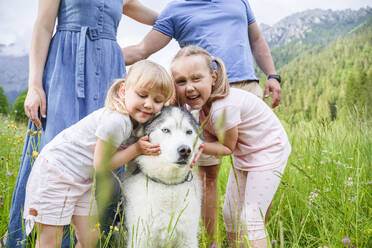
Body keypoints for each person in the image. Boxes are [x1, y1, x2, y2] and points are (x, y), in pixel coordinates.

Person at [121, 0, 282, 243]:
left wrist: (272, 74)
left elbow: (256, 40)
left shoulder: (239, 2)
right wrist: (100, 57)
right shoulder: (175, 11)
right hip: (199, 98)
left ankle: (252, 235)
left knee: (253, 181)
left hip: (244, 90)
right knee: (207, 176)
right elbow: (141, 50)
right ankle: (213, 242)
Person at [7, 0, 158, 247]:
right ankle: (43, 236)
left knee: (107, 153)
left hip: (108, 70)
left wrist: (185, 17)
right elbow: (44, 27)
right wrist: (34, 85)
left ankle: (103, 235)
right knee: (57, 149)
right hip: (65, 65)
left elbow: (163, 22)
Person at [22, 60, 174, 248]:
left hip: (81, 180)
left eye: (158, 100)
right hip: (56, 173)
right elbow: (101, 165)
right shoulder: (116, 121)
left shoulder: (134, 122)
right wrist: (136, 150)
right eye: (142, 95)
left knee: (91, 238)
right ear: (123, 90)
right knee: (50, 240)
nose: (149, 104)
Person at [171, 46, 291, 248]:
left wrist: (197, 145)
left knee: (251, 216)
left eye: (196, 78)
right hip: (246, 154)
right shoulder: (199, 109)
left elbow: (226, 147)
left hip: (269, 151)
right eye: (181, 81)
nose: (189, 87)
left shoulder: (224, 106)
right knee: (230, 213)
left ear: (214, 77)